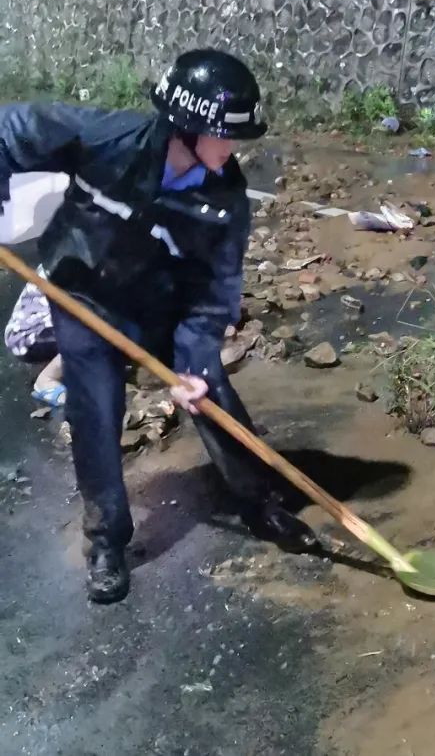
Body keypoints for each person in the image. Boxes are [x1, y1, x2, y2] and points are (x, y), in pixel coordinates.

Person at [0, 49, 319, 604]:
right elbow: (10, 129)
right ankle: (106, 542)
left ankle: (258, 503)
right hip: (85, 297)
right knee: (95, 414)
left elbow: (214, 288)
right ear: (185, 126)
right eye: (224, 135)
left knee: (211, 395)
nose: (232, 149)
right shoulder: (107, 141)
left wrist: (193, 362)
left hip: (162, 305)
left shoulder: (224, 199)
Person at [5, 274, 66, 405]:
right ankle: (47, 379)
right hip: (28, 335)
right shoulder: (77, 260)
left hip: (39, 328)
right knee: (91, 334)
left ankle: (62, 362)